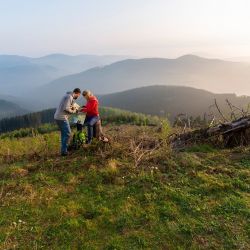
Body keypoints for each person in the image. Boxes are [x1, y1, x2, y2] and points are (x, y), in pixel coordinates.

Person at [54, 88, 81, 156]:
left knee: (64, 134)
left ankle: (63, 150)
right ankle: (64, 151)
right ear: (77, 93)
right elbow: (66, 108)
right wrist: (74, 111)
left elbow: (67, 106)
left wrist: (73, 107)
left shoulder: (67, 96)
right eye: (79, 95)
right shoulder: (69, 97)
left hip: (58, 117)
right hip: (62, 118)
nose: (78, 97)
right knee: (68, 133)